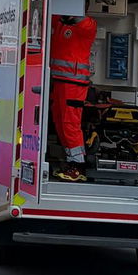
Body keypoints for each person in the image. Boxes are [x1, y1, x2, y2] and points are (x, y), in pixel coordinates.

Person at [49, 13, 98, 181]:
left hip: (74, 84)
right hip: (59, 81)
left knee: (70, 123)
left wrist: (72, 9)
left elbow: (80, 20)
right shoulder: (60, 22)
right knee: (59, 121)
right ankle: (71, 161)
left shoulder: (88, 25)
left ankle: (78, 166)